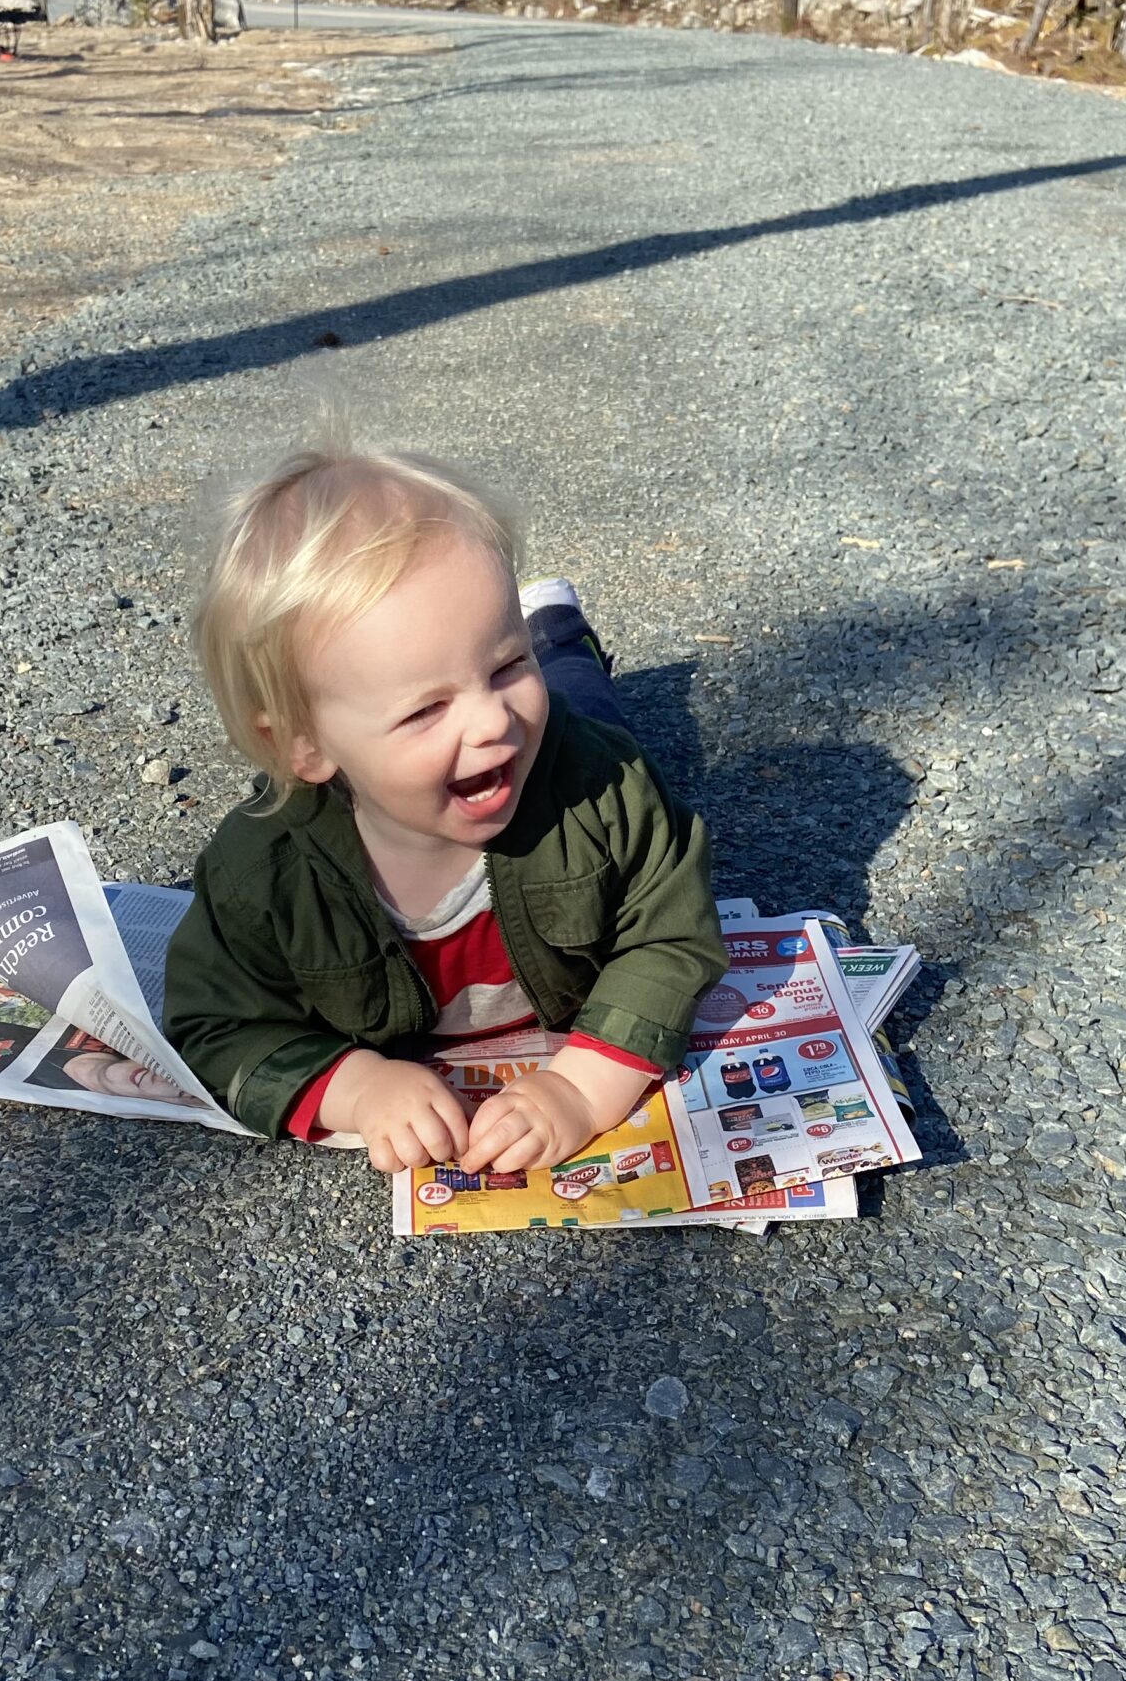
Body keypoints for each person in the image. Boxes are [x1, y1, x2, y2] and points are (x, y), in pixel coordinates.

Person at [163, 436, 726, 1176]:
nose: (491, 720)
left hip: (573, 739)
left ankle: (554, 639)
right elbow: (215, 1021)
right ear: (304, 745)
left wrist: (583, 1091)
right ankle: (546, 643)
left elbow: (670, 933)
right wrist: (351, 1087)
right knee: (550, 702)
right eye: (426, 708)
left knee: (576, 703)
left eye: (503, 662)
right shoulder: (262, 873)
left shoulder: (601, 783)